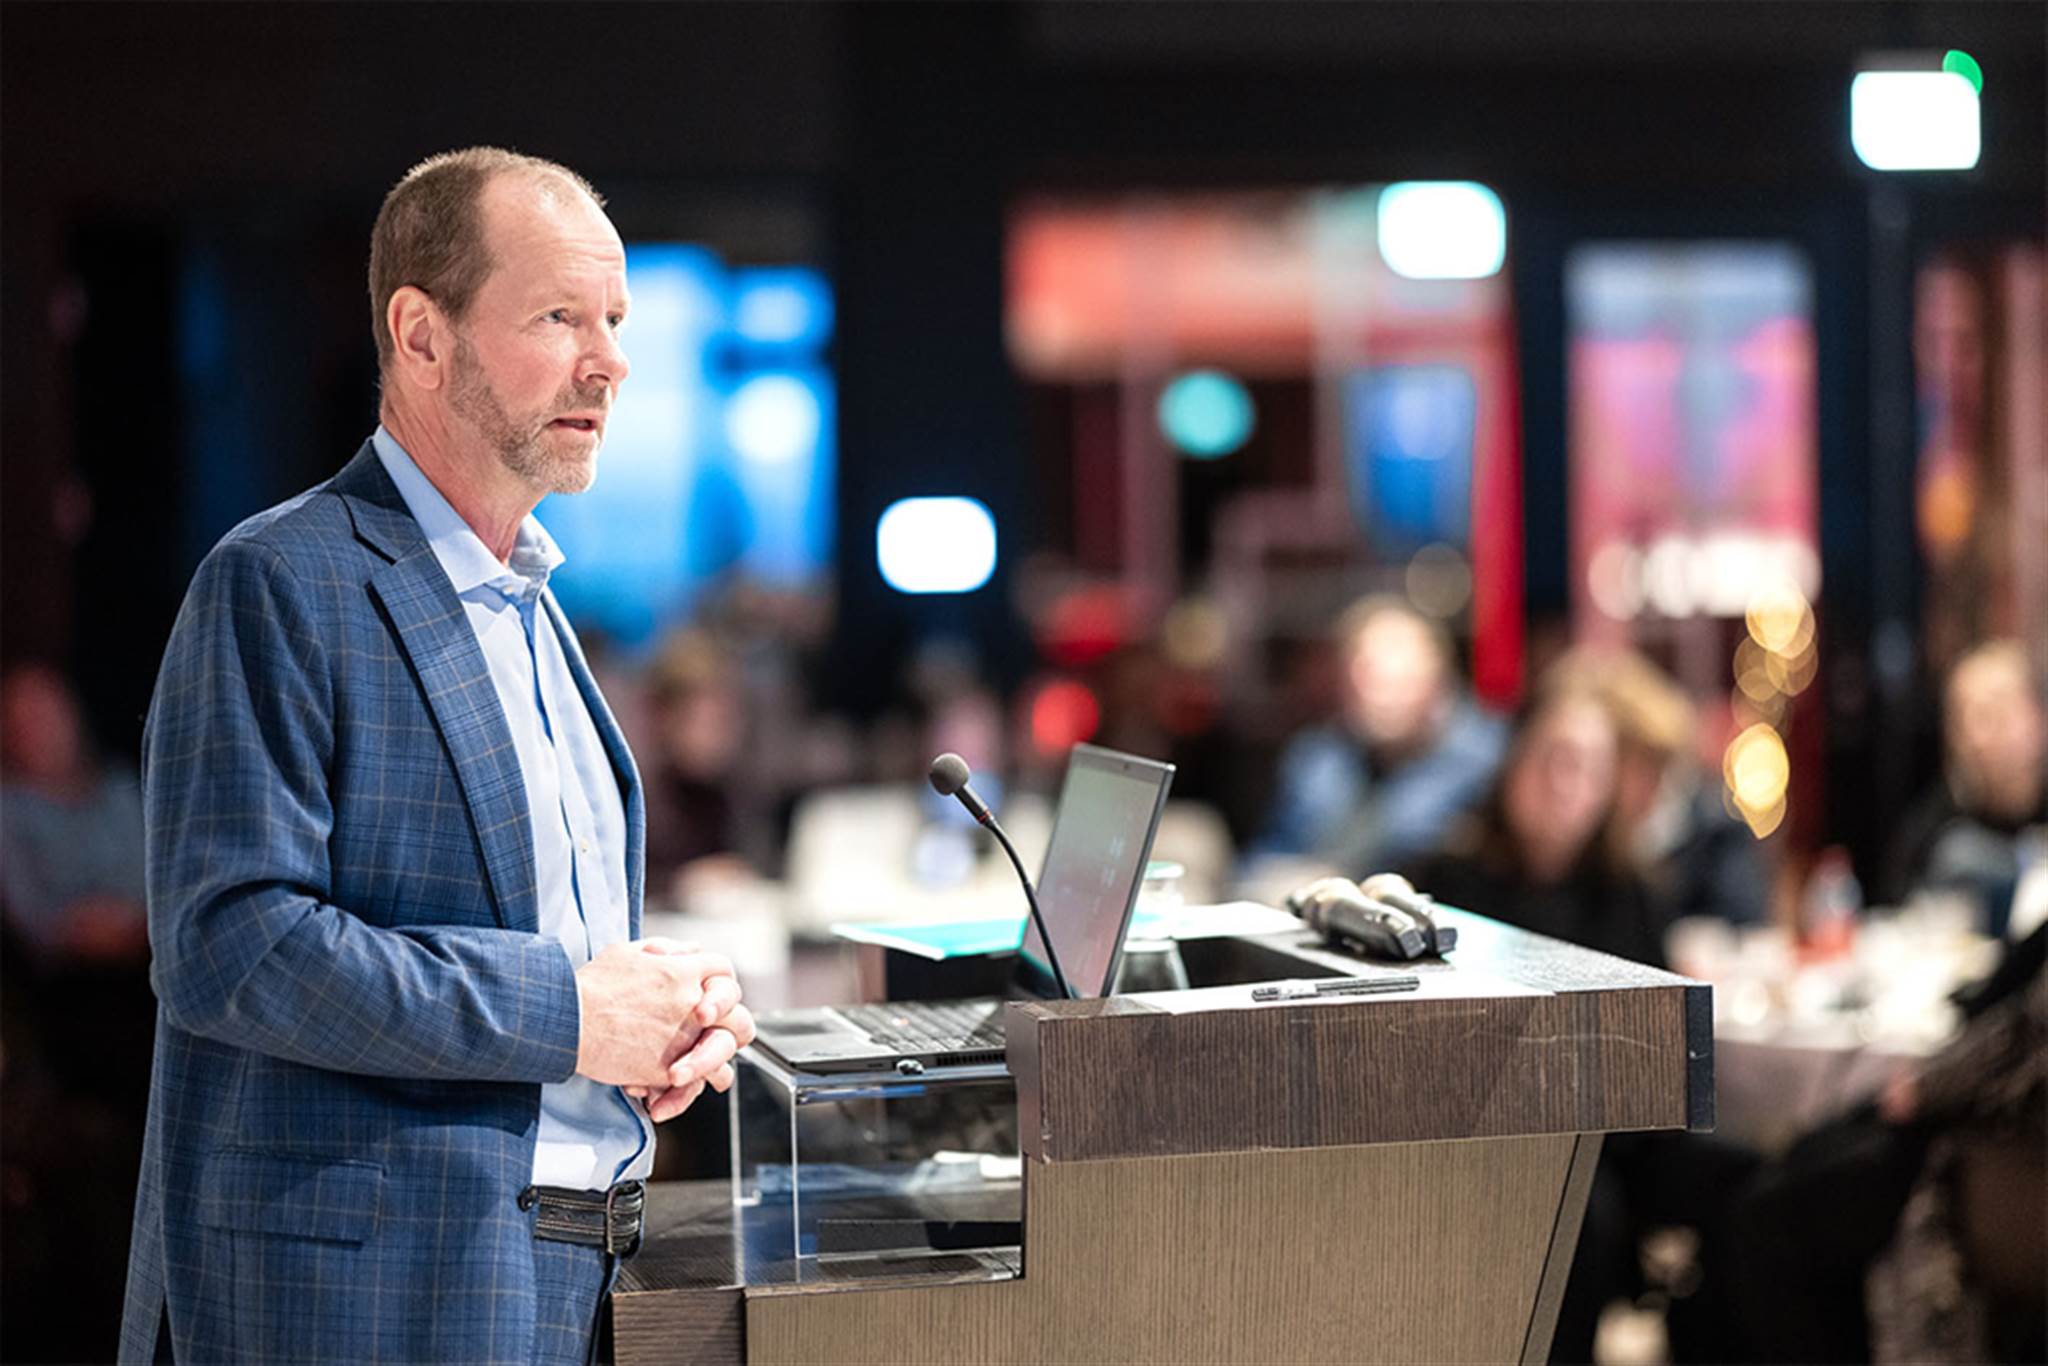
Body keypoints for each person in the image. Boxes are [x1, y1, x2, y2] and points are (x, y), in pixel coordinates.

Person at [119, 148, 756, 1365]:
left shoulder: (534, 604)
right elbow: (230, 945)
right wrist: (571, 1015)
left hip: (563, 1266)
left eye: (615, 321)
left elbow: (545, 941)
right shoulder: (279, 579)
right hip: (364, 1294)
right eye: (559, 317)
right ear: (421, 334)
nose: (609, 361)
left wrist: (660, 1017)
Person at [1250, 596, 1505, 877]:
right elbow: (1273, 850)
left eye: (1400, 676)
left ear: (1438, 680)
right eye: (1367, 674)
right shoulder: (1317, 757)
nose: (1381, 694)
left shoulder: (1487, 762)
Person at [1881, 639, 2046, 935]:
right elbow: (1897, 915)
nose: (1975, 735)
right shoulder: (1935, 830)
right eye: (1961, 717)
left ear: (2037, 718)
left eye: (1994, 712)